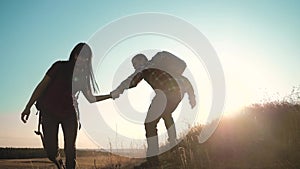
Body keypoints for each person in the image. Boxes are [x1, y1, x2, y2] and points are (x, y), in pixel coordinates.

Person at [21, 42, 111, 169]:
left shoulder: (83, 77)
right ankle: (59, 164)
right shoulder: (59, 66)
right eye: (80, 55)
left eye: (86, 58)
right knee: (51, 152)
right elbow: (42, 86)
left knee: (70, 150)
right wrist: (28, 107)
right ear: (74, 55)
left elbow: (91, 98)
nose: (83, 59)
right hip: (49, 112)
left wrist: (111, 95)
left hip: (69, 114)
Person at [111, 53, 196, 168]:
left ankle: (153, 161)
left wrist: (118, 90)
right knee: (166, 114)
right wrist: (192, 97)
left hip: (165, 94)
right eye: (134, 65)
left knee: (150, 123)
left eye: (136, 63)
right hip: (177, 95)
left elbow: (131, 81)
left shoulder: (146, 66)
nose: (135, 67)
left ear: (143, 60)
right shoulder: (163, 67)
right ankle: (174, 145)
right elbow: (185, 80)